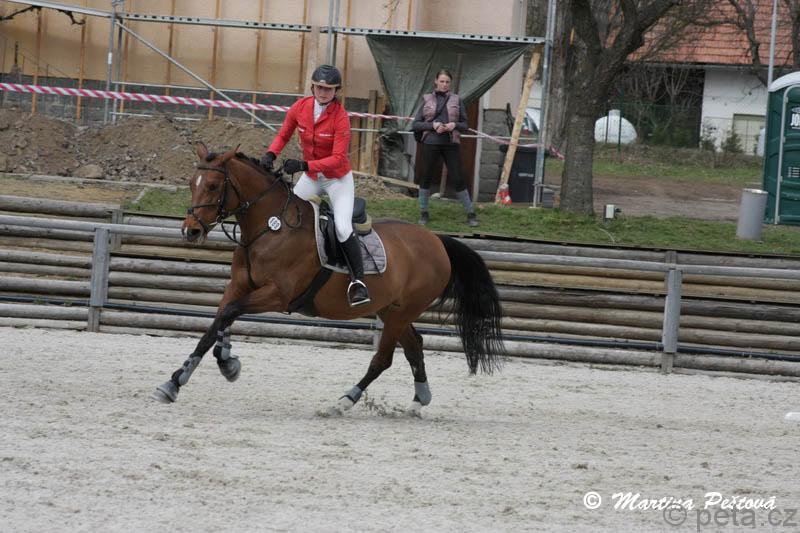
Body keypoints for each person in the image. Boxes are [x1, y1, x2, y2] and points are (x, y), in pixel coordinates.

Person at [260, 64, 370, 307]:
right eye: (320, 87)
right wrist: (271, 153)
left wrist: (303, 165)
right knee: (286, 213)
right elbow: (283, 135)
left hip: (336, 179)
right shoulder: (300, 108)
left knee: (342, 227)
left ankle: (358, 282)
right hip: (311, 177)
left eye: (329, 89)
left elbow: (338, 159)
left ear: (336, 91)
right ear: (313, 87)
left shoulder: (341, 117)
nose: (323, 92)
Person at [412, 69, 478, 227]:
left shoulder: (457, 99)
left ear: (450, 83)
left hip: (450, 144)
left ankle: (471, 214)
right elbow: (416, 124)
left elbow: (465, 125)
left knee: (458, 178)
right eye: (442, 81)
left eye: (447, 82)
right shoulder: (426, 99)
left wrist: (454, 125)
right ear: (436, 81)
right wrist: (433, 125)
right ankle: (424, 213)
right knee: (425, 177)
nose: (444, 84)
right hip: (430, 143)